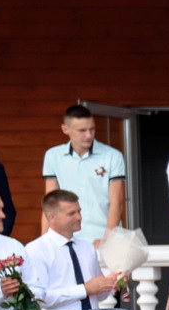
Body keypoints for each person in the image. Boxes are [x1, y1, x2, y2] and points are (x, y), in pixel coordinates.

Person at [21, 189, 123, 310]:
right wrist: (84, 289)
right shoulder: (36, 249)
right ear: (51, 216)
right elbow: (39, 298)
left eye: (79, 211)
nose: (79, 217)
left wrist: (111, 283)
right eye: (71, 213)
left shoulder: (87, 247)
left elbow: (100, 295)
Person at [38, 104, 126, 244]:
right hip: (66, 236)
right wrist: (44, 239)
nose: (89, 135)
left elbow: (117, 202)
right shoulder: (52, 156)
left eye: (92, 129)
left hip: (103, 236)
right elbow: (50, 202)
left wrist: (107, 239)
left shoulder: (112, 156)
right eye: (82, 131)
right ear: (65, 129)